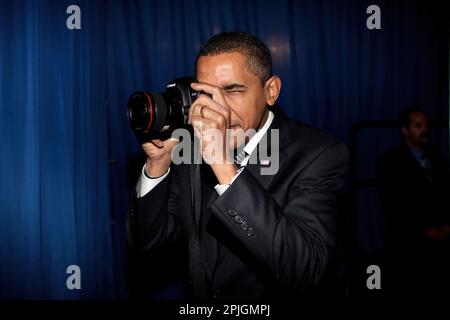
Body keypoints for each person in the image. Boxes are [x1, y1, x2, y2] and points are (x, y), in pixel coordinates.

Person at [127, 31, 348, 300]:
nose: (217, 108)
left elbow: (305, 271)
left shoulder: (318, 153)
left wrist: (222, 164)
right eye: (206, 93)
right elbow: (148, 246)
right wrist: (157, 165)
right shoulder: (191, 151)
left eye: (232, 90)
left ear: (271, 91)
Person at [377, 107, 450, 297]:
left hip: (438, 240)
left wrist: (446, 226)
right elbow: (395, 204)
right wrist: (425, 229)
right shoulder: (391, 161)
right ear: (405, 129)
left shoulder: (437, 159)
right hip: (408, 243)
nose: (424, 130)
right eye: (418, 125)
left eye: (426, 125)